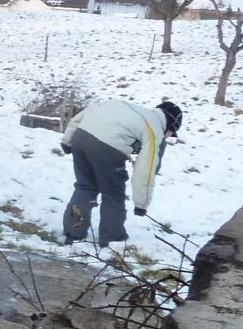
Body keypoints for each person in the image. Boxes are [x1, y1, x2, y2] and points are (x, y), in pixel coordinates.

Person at [60, 99, 183, 246]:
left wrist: (67, 140)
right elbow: (146, 168)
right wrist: (141, 203)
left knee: (85, 187)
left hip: (81, 137)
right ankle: (112, 239)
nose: (168, 136)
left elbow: (79, 117)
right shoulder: (155, 128)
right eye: (171, 133)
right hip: (107, 147)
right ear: (170, 125)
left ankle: (73, 233)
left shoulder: (123, 106)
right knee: (113, 193)